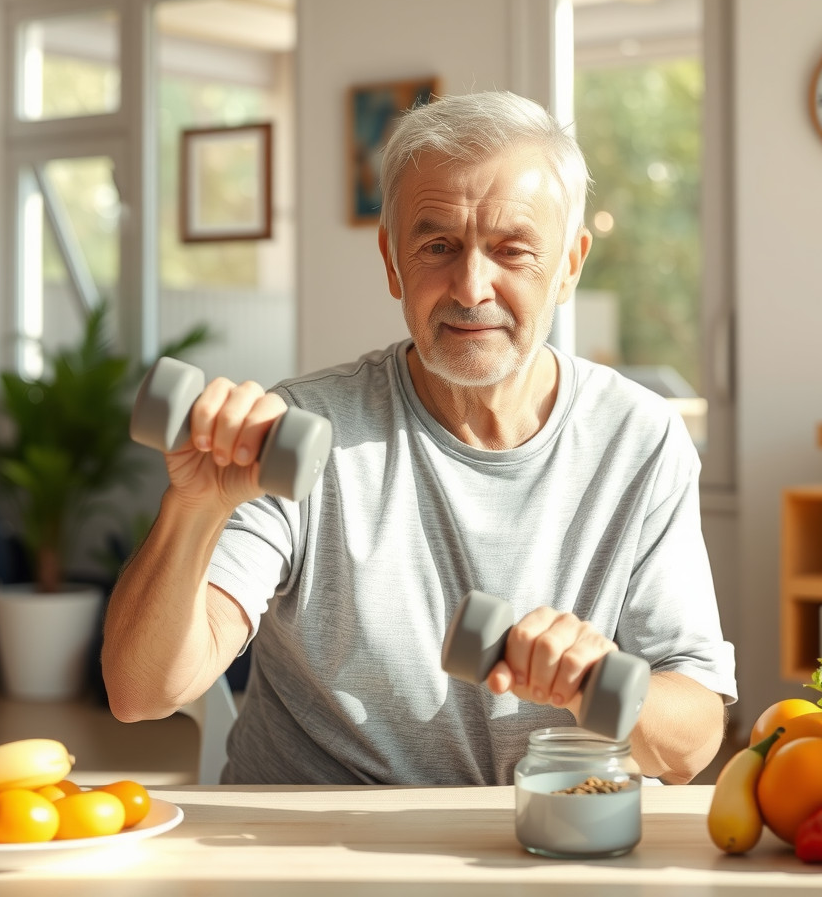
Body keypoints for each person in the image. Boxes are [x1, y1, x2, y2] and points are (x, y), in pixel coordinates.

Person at [103, 91, 736, 786]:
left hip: (542, 839)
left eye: (511, 250)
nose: (470, 287)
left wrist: (595, 683)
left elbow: (692, 743)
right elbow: (142, 694)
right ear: (391, 259)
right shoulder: (302, 432)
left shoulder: (640, 440)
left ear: (570, 265)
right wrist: (195, 507)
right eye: (438, 245)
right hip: (310, 841)